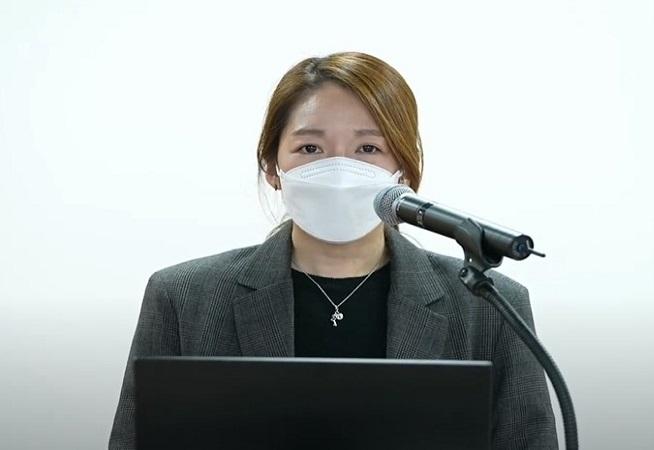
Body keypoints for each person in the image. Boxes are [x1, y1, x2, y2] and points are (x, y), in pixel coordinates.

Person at [109, 51, 558, 449]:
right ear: (272, 166)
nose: (339, 169)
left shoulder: (492, 305)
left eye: (368, 148)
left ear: (403, 170)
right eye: (310, 147)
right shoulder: (183, 297)